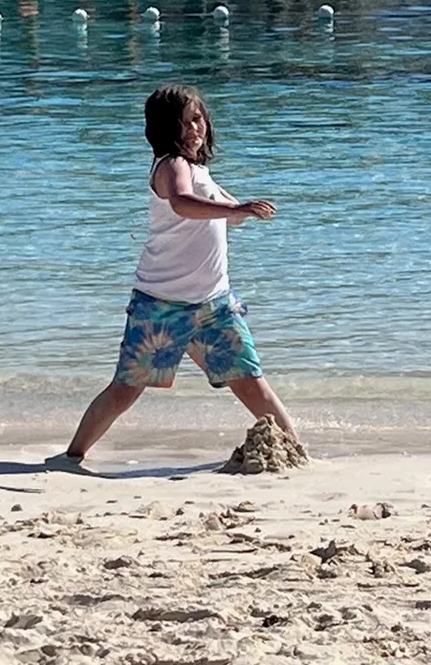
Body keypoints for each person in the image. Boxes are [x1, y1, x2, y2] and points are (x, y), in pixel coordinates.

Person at [54, 83, 299, 466]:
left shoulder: (200, 171)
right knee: (126, 389)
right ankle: (72, 456)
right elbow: (182, 203)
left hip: (214, 305)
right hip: (161, 305)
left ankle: (296, 451)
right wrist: (236, 209)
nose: (193, 128)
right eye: (183, 123)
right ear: (164, 130)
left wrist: (240, 211)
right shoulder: (171, 166)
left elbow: (227, 214)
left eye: (197, 119)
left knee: (251, 382)